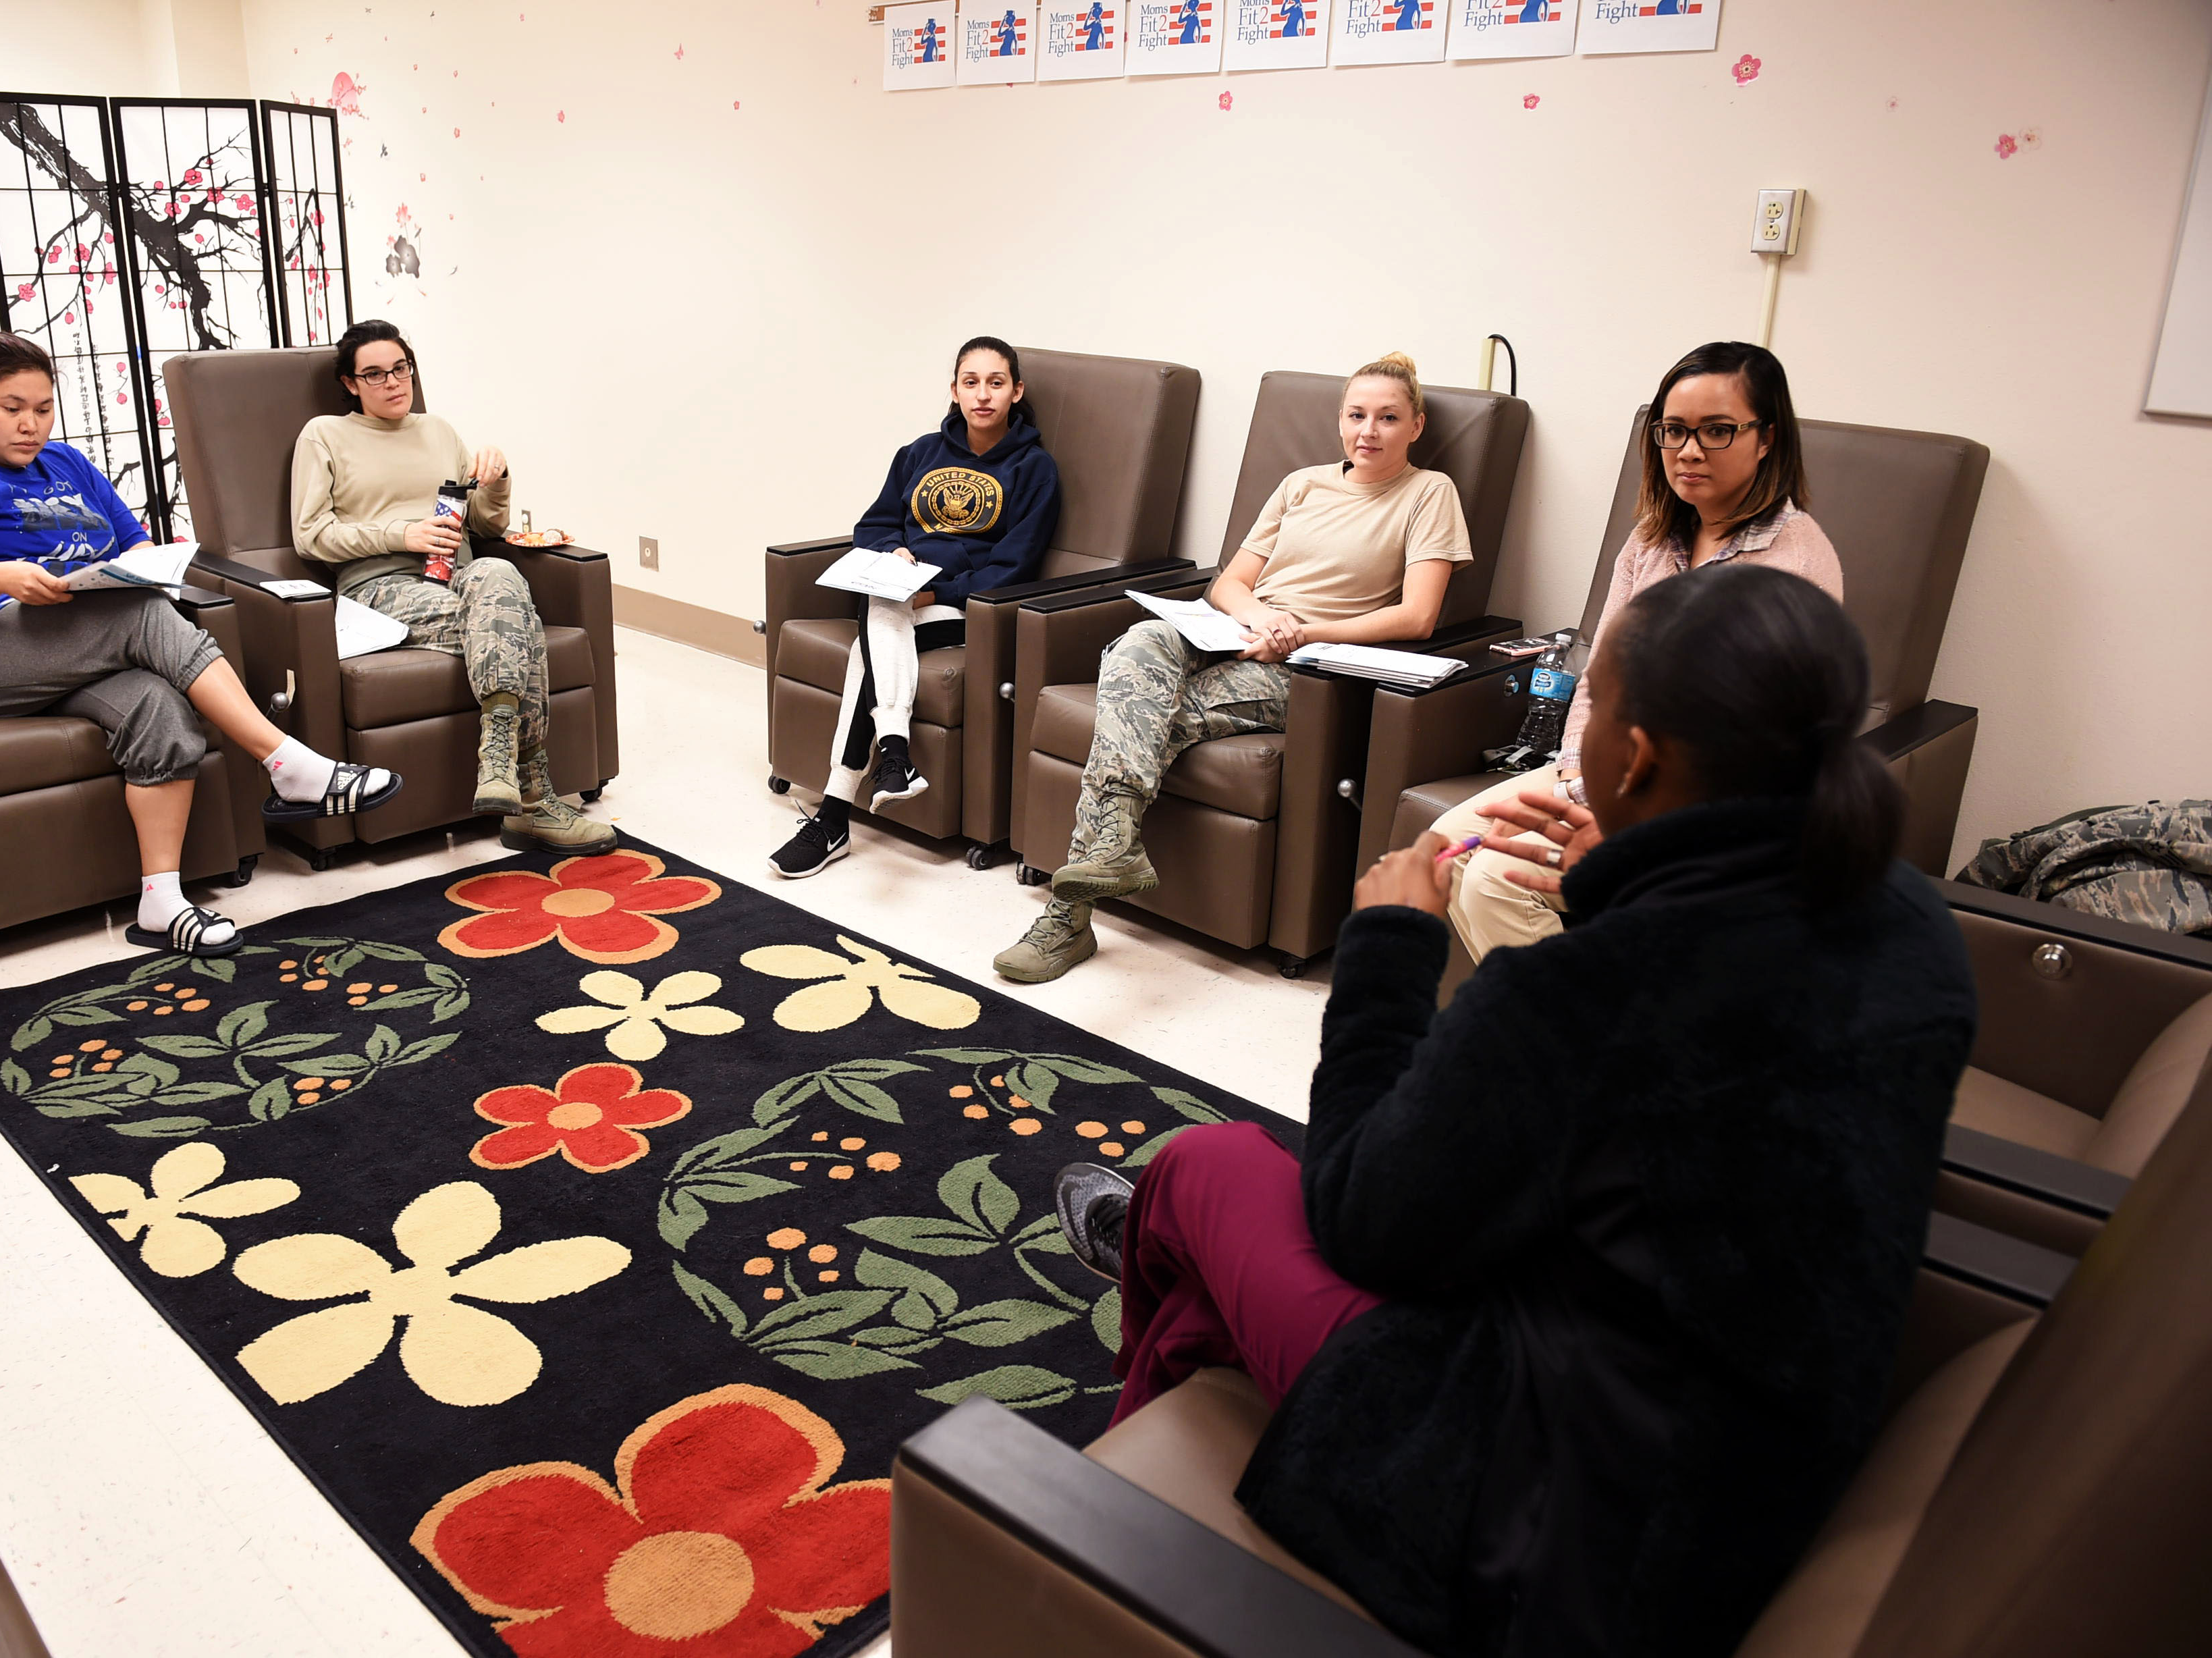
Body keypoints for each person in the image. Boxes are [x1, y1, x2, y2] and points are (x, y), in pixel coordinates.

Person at [1050, 563, 1978, 1657]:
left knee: (1205, 1169)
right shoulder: (1912, 923)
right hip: (1750, 1463)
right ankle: (1174, 1356)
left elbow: (1362, 1220)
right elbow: (1696, 1089)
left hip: (1550, 1521)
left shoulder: (1589, 992)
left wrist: (1390, 943)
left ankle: (1085, 1542)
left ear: (1631, 756)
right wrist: (1625, 877)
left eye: (1594, 704)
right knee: (1215, 1263)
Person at [0, 327, 399, 959]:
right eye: (11, 409)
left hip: (64, 648)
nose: (31, 426)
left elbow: (134, 546)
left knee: (159, 708)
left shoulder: (67, 465)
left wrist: (143, 566)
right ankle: (289, 764)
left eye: (43, 410)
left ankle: (161, 902)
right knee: (140, 613)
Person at [993, 352, 1468, 983]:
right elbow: (1232, 581)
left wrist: (1299, 634)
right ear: (1340, 419)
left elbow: (1418, 617)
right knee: (1139, 644)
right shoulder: (1303, 483)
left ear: (1416, 425)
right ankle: (1113, 849)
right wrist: (1260, 618)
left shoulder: (1429, 493)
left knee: (1154, 710)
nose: (1368, 432)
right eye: (1357, 415)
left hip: (1311, 667)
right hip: (1240, 630)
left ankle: (1066, 917)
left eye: (1387, 417)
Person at [1428, 340, 1841, 965]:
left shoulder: (1797, 561)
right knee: (1445, 845)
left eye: (1719, 431)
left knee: (1496, 877)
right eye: (1673, 431)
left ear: (1768, 439)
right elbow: (1601, 677)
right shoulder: (1652, 540)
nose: (1690, 450)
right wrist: (1574, 777)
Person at [291, 319, 614, 855]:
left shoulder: (438, 430)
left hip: (460, 577)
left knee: (501, 573)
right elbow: (311, 536)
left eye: (401, 369)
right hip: (381, 586)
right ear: (350, 383)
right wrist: (403, 533)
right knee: (518, 622)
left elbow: (485, 528)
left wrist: (500, 476)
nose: (394, 382)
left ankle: (499, 764)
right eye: (375, 374)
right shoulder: (325, 435)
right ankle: (532, 799)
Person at [767, 337, 1060, 878]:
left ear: (1016, 391)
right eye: (971, 382)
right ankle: (894, 762)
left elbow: (1014, 566)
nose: (983, 395)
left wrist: (936, 592)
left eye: (996, 383)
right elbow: (873, 526)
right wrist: (891, 553)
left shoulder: (1034, 469)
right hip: (899, 596)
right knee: (882, 606)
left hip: (962, 610)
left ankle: (834, 816)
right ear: (954, 390)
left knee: (869, 644)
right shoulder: (920, 453)